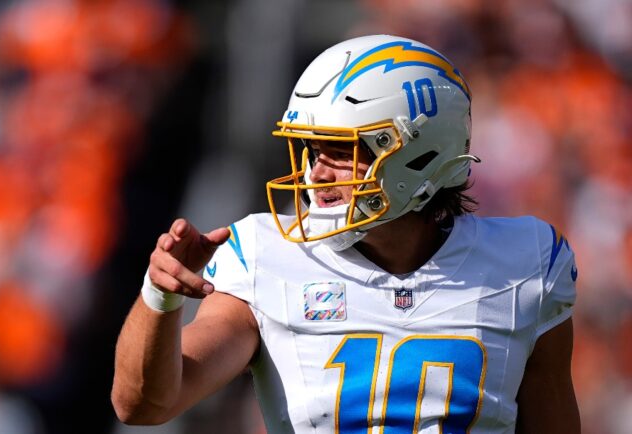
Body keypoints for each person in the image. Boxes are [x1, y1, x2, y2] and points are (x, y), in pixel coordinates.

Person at [112, 35, 580, 433]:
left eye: (341, 151)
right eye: (312, 150)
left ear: (421, 152)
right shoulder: (265, 254)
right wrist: (159, 298)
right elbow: (143, 405)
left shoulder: (526, 264)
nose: (317, 174)